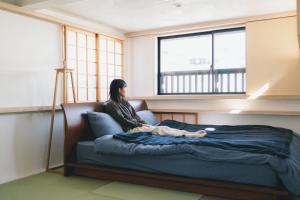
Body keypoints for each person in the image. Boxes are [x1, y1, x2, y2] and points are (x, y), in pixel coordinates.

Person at [105, 79, 206, 137]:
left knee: (164, 128)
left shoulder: (124, 101)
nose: (126, 90)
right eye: (124, 88)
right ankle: (190, 135)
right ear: (119, 89)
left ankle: (189, 133)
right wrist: (140, 124)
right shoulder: (110, 104)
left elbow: (135, 115)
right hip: (130, 130)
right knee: (159, 130)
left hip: (137, 126)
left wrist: (144, 123)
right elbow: (122, 120)